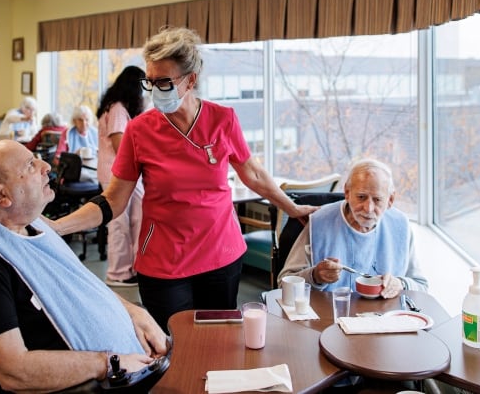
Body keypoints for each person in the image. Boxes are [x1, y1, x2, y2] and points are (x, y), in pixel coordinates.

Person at [49, 26, 317, 331]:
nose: (155, 90)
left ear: (191, 80)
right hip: (165, 261)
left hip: (221, 254)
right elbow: (113, 199)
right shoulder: (139, 130)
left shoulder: (223, 119)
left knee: (218, 342)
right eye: (150, 82)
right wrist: (59, 227)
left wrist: (293, 208)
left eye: (164, 82)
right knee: (173, 345)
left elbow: (253, 173)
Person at [0, 140, 169, 393]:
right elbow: (12, 370)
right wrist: (107, 363)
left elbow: (82, 286)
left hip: (136, 365)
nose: (46, 166)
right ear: (0, 195)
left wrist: (132, 312)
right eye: (30, 165)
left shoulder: (36, 228)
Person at [277, 158, 428, 298]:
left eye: (377, 200)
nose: (368, 208)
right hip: (330, 317)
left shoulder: (400, 225)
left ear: (390, 200)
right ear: (347, 193)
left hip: (383, 321)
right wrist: (315, 276)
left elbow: (421, 286)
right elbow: (282, 285)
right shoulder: (320, 221)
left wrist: (401, 284)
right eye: (361, 197)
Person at [96, 65, 146, 287]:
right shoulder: (117, 109)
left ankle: (133, 268)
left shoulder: (115, 107)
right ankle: (118, 273)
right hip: (116, 175)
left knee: (135, 219)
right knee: (119, 224)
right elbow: (120, 145)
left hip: (117, 174)